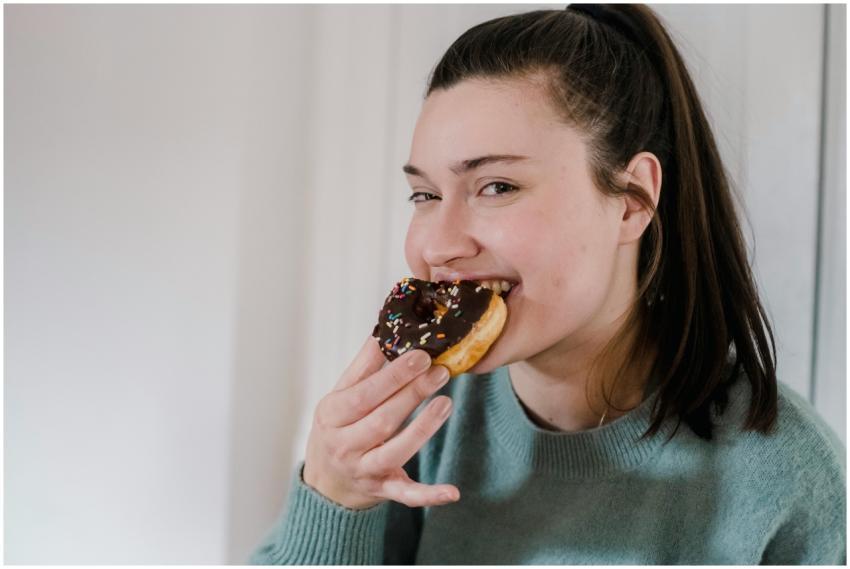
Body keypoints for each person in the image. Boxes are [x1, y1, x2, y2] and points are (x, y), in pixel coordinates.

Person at [249, 4, 846, 564]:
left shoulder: (786, 476)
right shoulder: (418, 421)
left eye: (497, 187)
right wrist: (332, 496)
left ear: (632, 200)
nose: (437, 246)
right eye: (425, 195)